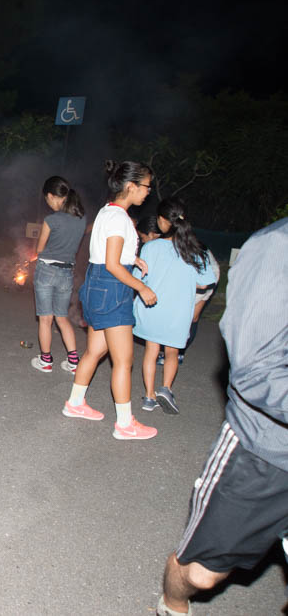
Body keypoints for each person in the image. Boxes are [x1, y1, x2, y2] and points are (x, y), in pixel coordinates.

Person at [156, 217, 288, 616]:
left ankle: (152, 395)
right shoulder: (278, 247)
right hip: (266, 448)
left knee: (159, 349)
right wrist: (193, 305)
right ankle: (173, 603)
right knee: (199, 575)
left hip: (168, 313)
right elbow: (257, 368)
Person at [62, 160, 159, 440]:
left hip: (96, 285)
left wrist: (134, 259)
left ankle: (75, 402)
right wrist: (141, 287)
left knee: (95, 351)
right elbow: (114, 265)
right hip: (112, 288)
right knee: (124, 361)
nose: (148, 192)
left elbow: (109, 254)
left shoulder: (108, 212)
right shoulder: (120, 218)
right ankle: (125, 423)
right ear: (131, 186)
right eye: (146, 186)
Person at [133, 199, 216, 414]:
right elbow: (206, 282)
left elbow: (137, 277)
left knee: (151, 352)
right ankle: (166, 388)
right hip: (178, 312)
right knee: (171, 352)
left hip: (152, 308)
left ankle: (149, 397)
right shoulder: (195, 249)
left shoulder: (151, 247)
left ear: (161, 221)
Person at [30, 176, 86, 374]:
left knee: (46, 319)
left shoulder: (51, 220)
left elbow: (40, 248)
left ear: (53, 196)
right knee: (62, 318)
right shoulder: (81, 219)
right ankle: (73, 362)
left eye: (48, 199)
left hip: (46, 271)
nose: (48, 203)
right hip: (66, 273)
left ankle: (46, 361)